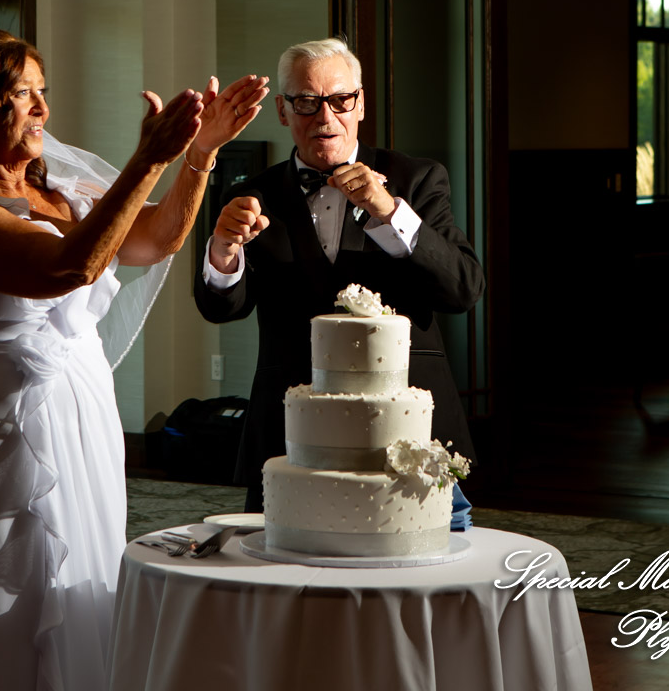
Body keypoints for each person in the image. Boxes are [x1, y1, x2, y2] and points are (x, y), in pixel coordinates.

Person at [0, 27, 267, 691]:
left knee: (84, 568)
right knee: (6, 578)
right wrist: (147, 159)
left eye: (42, 92)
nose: (43, 109)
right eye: (23, 93)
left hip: (81, 405)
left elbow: (158, 238)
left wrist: (199, 153)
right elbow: (70, 266)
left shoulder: (64, 194)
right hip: (2, 421)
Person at [193, 37, 484, 513]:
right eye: (306, 102)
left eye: (339, 99)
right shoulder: (252, 193)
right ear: (284, 112)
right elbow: (221, 307)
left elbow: (463, 289)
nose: (325, 117)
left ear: (361, 103)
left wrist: (391, 213)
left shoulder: (419, 179)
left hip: (407, 433)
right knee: (275, 577)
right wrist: (223, 252)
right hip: (289, 434)